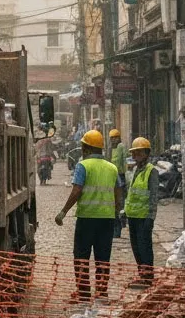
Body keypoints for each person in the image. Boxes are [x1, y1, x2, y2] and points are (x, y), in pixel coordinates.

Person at [54, 130, 123, 301]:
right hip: (107, 220)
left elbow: (77, 190)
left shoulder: (83, 166)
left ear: (85, 148)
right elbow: (118, 193)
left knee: (81, 256)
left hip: (87, 219)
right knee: (103, 257)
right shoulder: (112, 168)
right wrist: (116, 212)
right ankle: (101, 291)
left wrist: (63, 212)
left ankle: (84, 293)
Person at [124, 137, 159, 286]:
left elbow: (153, 196)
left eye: (138, 152)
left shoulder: (152, 171)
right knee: (136, 247)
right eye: (134, 153)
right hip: (133, 216)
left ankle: (147, 278)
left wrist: (150, 218)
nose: (135, 156)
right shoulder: (135, 170)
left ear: (146, 153)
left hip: (144, 217)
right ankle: (142, 275)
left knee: (144, 247)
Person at [108, 128, 127, 238]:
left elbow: (124, 161)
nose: (114, 140)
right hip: (112, 177)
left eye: (116, 138)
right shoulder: (110, 148)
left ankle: (119, 227)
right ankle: (115, 228)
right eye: (112, 138)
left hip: (121, 176)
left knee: (120, 203)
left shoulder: (121, 147)